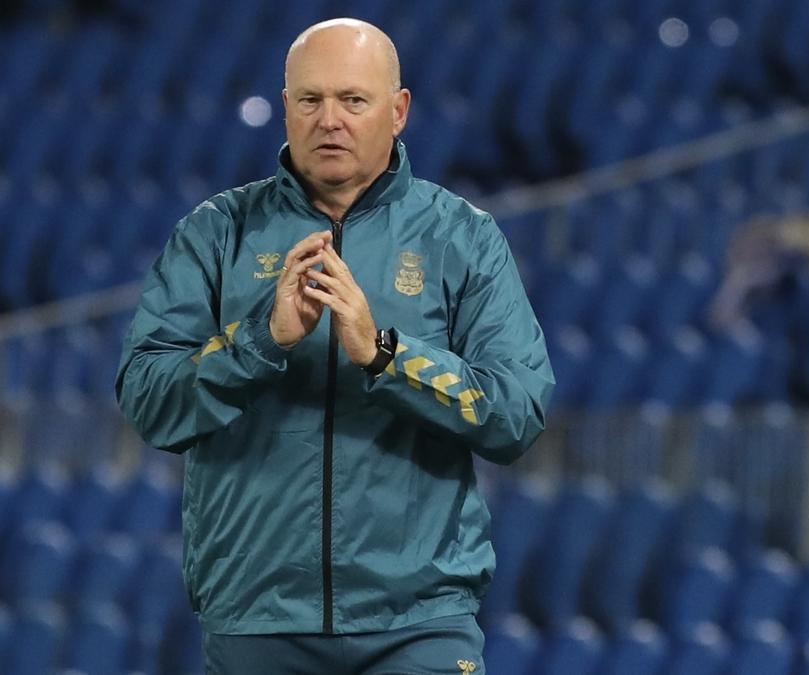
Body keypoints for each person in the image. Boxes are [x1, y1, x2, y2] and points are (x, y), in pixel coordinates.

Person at [115, 18, 554, 674]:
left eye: (354, 100)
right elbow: (148, 398)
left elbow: (516, 412)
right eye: (311, 100)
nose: (330, 120)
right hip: (258, 619)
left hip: (419, 622)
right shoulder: (214, 234)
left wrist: (383, 352)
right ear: (286, 107)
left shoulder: (461, 238)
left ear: (398, 110)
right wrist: (261, 340)